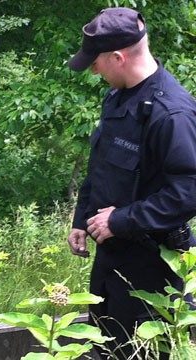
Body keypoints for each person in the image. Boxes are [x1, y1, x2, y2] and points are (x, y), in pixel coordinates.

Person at [66, 7, 196, 359]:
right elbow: (101, 167)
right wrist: (83, 220)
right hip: (111, 262)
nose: (92, 68)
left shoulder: (172, 114)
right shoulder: (117, 97)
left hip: (153, 269)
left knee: (142, 353)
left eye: (96, 61)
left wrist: (120, 220)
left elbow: (188, 191)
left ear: (118, 57)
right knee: (104, 347)